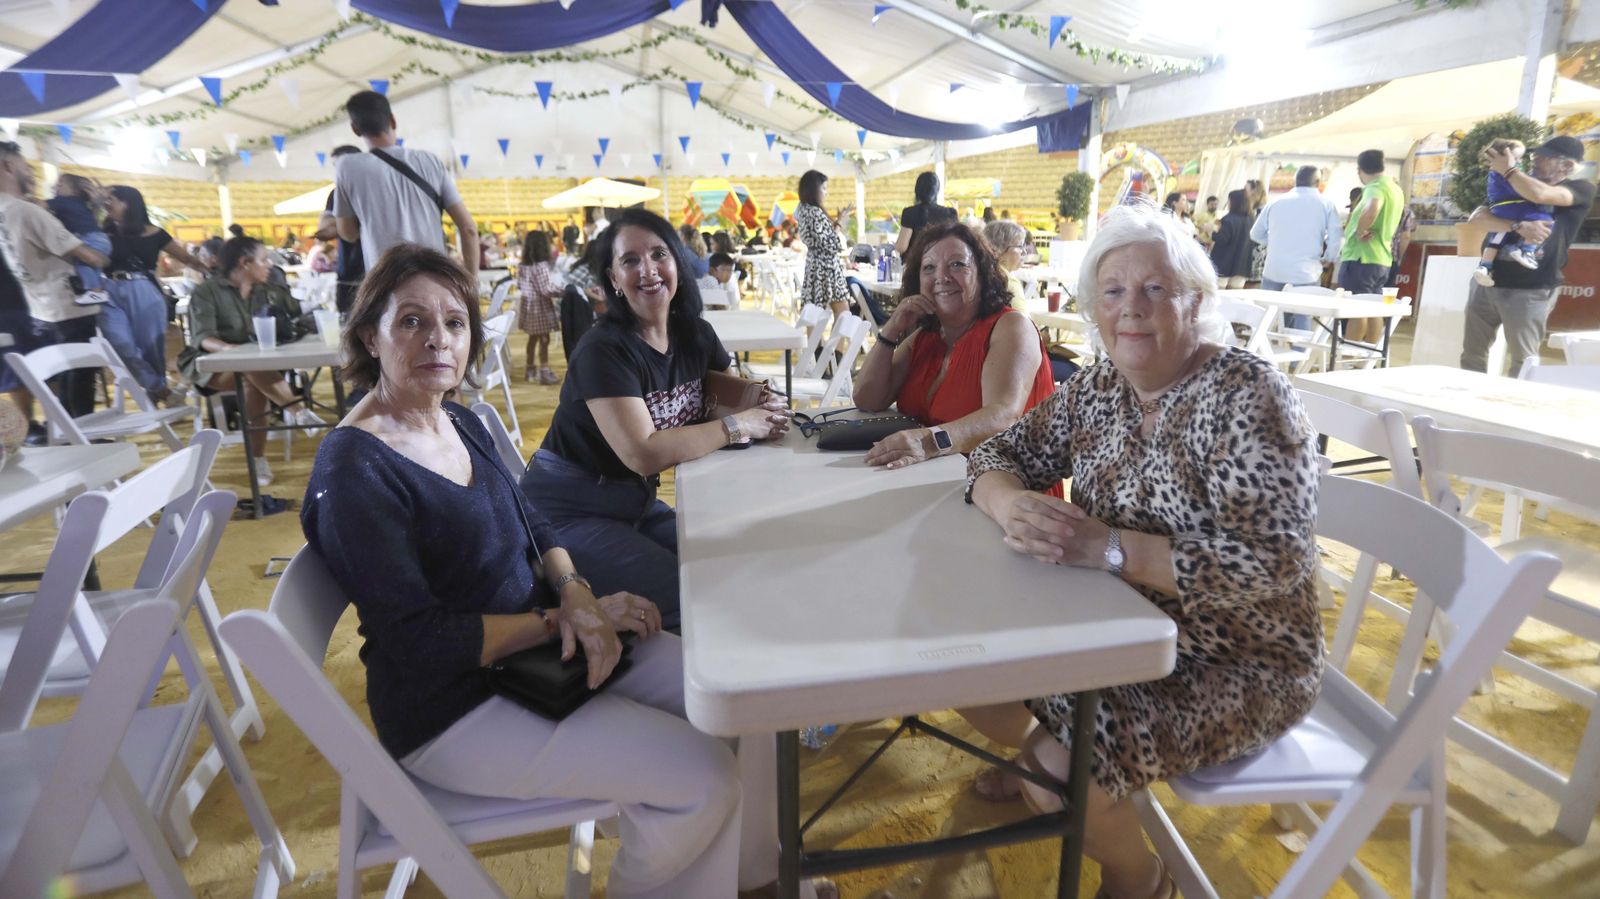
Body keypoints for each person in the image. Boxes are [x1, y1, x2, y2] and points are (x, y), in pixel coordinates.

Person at [302, 242, 789, 898]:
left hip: (546, 653)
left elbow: (535, 524)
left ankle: (755, 880)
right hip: (456, 707)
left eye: (454, 321)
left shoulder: (459, 419)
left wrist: (579, 593)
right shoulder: (356, 469)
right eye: (411, 320)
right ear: (369, 334)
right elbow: (422, 640)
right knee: (703, 779)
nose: (437, 339)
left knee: (743, 699)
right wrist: (560, 618)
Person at [959, 202, 1321, 899]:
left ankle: (1140, 875)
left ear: (1196, 300)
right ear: (1094, 306)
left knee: (1054, 771)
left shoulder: (1248, 396)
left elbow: (1273, 562)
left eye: (1155, 289)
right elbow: (1001, 452)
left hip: (1237, 658)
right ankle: (1044, 747)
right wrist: (1011, 502)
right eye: (1115, 291)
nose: (1132, 309)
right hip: (1106, 620)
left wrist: (1112, 549)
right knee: (962, 661)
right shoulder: (1098, 386)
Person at [519, 209, 790, 631]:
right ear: (612, 279)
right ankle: (686, 691)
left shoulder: (696, 335)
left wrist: (763, 405)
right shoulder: (602, 350)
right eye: (630, 260)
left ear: (677, 262)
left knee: (726, 565)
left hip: (636, 503)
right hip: (565, 513)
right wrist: (740, 425)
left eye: (659, 254)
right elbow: (643, 453)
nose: (648, 270)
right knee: (691, 593)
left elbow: (732, 400)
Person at [853, 222, 1056, 481]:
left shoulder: (1011, 327)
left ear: (982, 273)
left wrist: (928, 441)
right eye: (929, 268)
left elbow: (1004, 415)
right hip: (933, 481)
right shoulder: (925, 337)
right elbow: (867, 399)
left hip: (1007, 491)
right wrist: (892, 328)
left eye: (957, 264)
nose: (942, 277)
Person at [178, 237, 325, 487]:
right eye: (263, 259)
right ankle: (299, 412)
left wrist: (319, 297)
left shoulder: (267, 290)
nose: (269, 265)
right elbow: (203, 338)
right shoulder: (207, 292)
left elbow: (299, 308)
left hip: (256, 366)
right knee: (248, 365)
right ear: (245, 263)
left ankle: (258, 460)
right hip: (210, 363)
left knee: (251, 377)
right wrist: (231, 350)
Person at [1463, 135, 1597, 375]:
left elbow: (1541, 195)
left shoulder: (1581, 188)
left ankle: (1514, 408)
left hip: (1530, 289)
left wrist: (1509, 170)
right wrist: (1517, 226)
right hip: (1487, 283)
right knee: (1472, 354)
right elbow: (1478, 218)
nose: (1535, 159)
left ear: (1567, 165)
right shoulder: (1516, 184)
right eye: (1536, 154)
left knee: (1523, 360)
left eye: (1545, 157)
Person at [0, 143, 111, 428]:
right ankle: (85, 440)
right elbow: (89, 256)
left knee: (61, 377)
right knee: (81, 375)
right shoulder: (27, 211)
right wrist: (103, 254)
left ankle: (68, 435)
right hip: (67, 306)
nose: (29, 172)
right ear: (9, 167)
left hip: (39, 308)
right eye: (25, 165)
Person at [333, 90, 478, 283]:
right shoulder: (430, 161)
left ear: (355, 129)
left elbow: (348, 233)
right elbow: (468, 229)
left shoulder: (347, 166)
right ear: (393, 120)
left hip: (384, 286)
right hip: (433, 281)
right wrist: (471, 283)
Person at [100, 185, 207, 402]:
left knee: (152, 348)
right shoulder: (101, 232)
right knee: (119, 344)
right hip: (107, 290)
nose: (106, 203)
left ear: (128, 203)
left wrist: (215, 272)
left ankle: (154, 400)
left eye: (111, 199)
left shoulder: (155, 233)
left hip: (143, 289)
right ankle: (160, 389)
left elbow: (187, 259)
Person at [1250, 165, 1343, 329]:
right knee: (1302, 317)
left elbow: (1255, 234)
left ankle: (1265, 350)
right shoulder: (1326, 204)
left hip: (1274, 270)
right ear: (1317, 182)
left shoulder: (1275, 202)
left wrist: (1277, 243)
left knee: (1265, 319)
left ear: (1296, 181)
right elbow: (1336, 237)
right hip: (1306, 273)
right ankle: (1298, 352)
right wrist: (1329, 258)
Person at [1338, 149, 1406, 344]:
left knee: (1357, 310)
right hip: (1382, 258)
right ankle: (1369, 355)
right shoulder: (1395, 188)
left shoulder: (1374, 187)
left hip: (1362, 258)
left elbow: (1373, 207)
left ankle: (1349, 357)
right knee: (1375, 308)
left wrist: (1361, 229)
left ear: (1360, 170)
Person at [1470, 139, 1553, 287]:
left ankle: (1485, 266)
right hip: (1514, 207)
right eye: (1516, 158)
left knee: (1497, 237)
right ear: (1500, 158)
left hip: (1500, 209)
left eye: (1520, 158)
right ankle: (1527, 250)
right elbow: (1524, 190)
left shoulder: (1493, 174)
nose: (1519, 161)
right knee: (1545, 219)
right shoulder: (1506, 174)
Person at [318, 147, 369, 314]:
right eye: (335, 166)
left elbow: (347, 232)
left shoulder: (374, 189)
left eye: (342, 166)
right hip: (348, 272)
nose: (339, 171)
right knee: (348, 324)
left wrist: (340, 223)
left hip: (377, 270)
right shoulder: (336, 193)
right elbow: (324, 229)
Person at [794, 170, 850, 322]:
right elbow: (831, 244)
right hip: (826, 267)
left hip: (815, 265)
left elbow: (821, 238)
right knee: (843, 313)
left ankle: (816, 346)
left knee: (814, 314)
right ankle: (835, 347)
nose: (826, 193)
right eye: (824, 188)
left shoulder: (803, 209)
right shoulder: (814, 212)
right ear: (814, 189)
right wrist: (840, 223)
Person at [516, 231, 562, 385]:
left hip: (528, 306)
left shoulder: (522, 265)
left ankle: (530, 369)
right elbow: (546, 289)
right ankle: (544, 370)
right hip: (540, 307)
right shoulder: (541, 266)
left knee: (532, 338)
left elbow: (519, 285)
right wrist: (563, 290)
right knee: (544, 339)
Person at [895, 172, 958, 259]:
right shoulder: (950, 213)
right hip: (941, 264)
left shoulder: (909, 212)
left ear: (917, 190)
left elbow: (901, 247)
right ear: (937, 190)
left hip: (915, 265)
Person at [1208, 190, 1254, 289]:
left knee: (1218, 295)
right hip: (1242, 264)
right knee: (1235, 297)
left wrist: (1211, 232)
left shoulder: (1228, 219)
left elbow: (1223, 239)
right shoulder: (1251, 219)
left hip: (1224, 263)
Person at [982, 218, 1031, 310]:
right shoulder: (1008, 282)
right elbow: (1023, 321)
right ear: (999, 250)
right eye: (1019, 246)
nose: (1024, 252)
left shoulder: (978, 275)